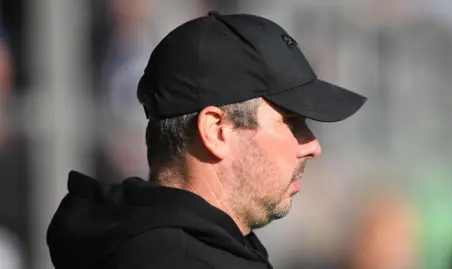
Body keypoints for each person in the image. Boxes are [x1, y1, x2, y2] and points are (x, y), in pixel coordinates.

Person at [46, 11, 366, 269]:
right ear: (216, 131)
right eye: (292, 122)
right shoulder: (178, 260)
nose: (313, 146)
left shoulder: (149, 244)